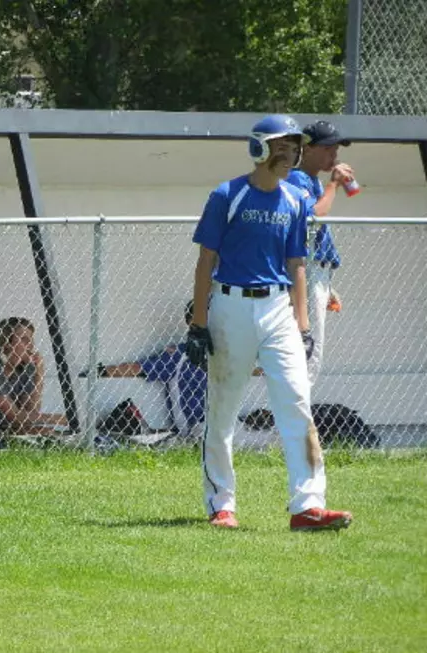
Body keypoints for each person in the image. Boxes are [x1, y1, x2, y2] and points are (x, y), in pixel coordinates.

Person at [186, 114, 352, 531]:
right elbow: (206, 260)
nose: (290, 152)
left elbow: (297, 265)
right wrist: (198, 323)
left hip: (279, 310)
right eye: (281, 144)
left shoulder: (295, 200)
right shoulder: (228, 195)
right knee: (223, 409)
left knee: (297, 403)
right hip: (231, 306)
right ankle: (221, 504)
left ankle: (308, 506)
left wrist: (304, 326)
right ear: (259, 147)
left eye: (294, 146)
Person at [98, 301, 263, 440]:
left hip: (227, 422)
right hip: (198, 427)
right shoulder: (178, 356)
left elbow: (247, 369)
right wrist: (100, 371)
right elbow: (137, 368)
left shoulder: (219, 354)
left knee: (274, 431)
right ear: (193, 324)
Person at [286, 120, 354, 384]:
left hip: (317, 270)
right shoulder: (296, 177)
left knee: (312, 347)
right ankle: (300, 420)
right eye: (327, 149)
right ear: (308, 147)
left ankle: (299, 416)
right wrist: (334, 184)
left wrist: (327, 285)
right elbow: (315, 214)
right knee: (309, 348)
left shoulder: (311, 179)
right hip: (307, 267)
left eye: (335, 149)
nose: (333, 155)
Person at [0, 317, 67, 449]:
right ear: (7, 343)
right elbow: (16, 417)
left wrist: (39, 373)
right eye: (24, 339)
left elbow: (31, 411)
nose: (31, 344)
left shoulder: (26, 367)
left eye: (31, 338)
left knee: (51, 435)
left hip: (8, 428)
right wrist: (57, 419)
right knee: (46, 435)